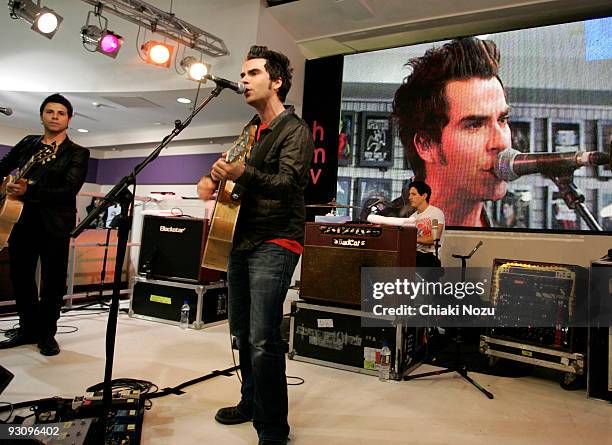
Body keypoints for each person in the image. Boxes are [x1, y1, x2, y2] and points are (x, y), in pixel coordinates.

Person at [199, 45, 314, 445]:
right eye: (243, 75)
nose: (243, 80)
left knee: (264, 337)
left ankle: (272, 428)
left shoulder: (294, 129)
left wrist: (242, 172)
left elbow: (289, 184)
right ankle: (250, 402)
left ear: (276, 81)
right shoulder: (251, 130)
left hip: (276, 239)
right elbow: (228, 166)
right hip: (241, 238)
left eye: (252, 74)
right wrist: (211, 177)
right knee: (241, 332)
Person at [0, 94, 90, 356]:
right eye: (49, 111)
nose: (54, 116)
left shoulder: (78, 153)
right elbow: (4, 166)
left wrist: (30, 188)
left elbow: (68, 189)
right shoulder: (28, 143)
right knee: (21, 277)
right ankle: (28, 328)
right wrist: (6, 185)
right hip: (20, 220)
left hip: (55, 225)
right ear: (41, 116)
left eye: (60, 113)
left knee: (52, 281)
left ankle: (47, 334)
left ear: (68, 119)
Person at [392, 37, 511, 227]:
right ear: (427, 145)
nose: (502, 142)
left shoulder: (508, 240)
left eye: (502, 120)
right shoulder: (384, 236)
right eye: (474, 125)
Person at [407, 181, 445, 267]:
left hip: (430, 257)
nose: (409, 197)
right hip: (415, 255)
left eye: (413, 194)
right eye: (409, 194)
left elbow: (434, 239)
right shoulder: (412, 218)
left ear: (424, 196)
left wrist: (411, 239)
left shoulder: (436, 213)